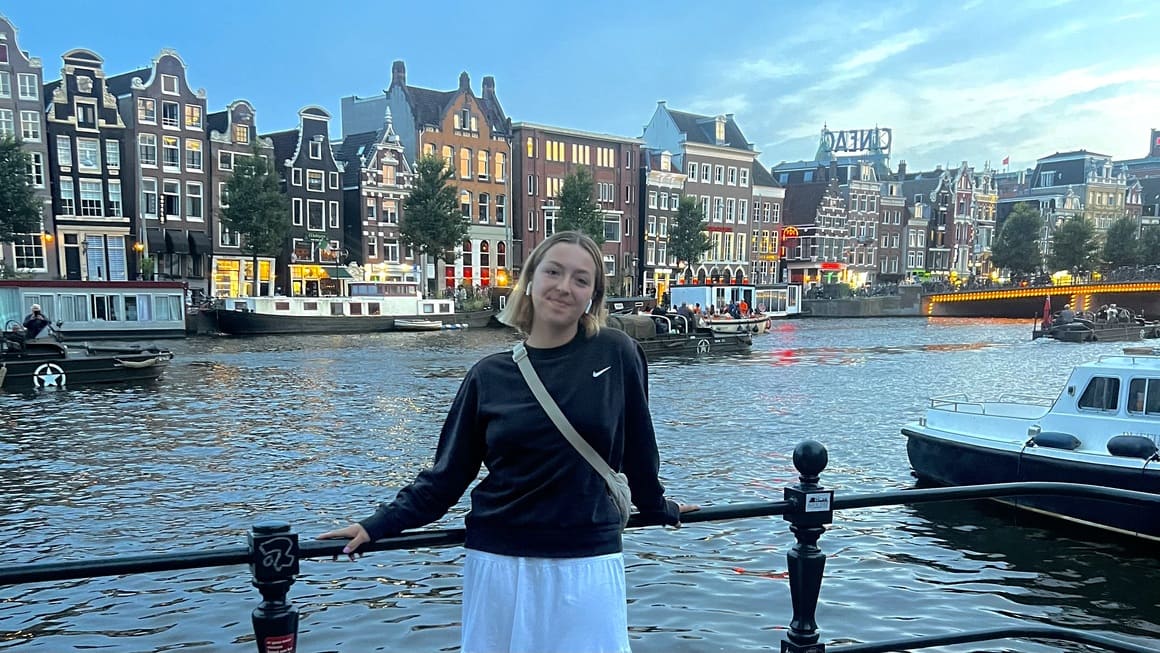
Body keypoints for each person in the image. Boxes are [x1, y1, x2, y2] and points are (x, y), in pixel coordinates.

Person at [319, 231, 693, 653]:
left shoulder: (617, 353)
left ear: (593, 296)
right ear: (530, 280)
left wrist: (661, 507)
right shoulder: (488, 375)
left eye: (581, 279)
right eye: (553, 271)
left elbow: (641, 454)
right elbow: (447, 477)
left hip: (587, 558)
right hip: (499, 561)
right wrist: (377, 525)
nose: (564, 286)